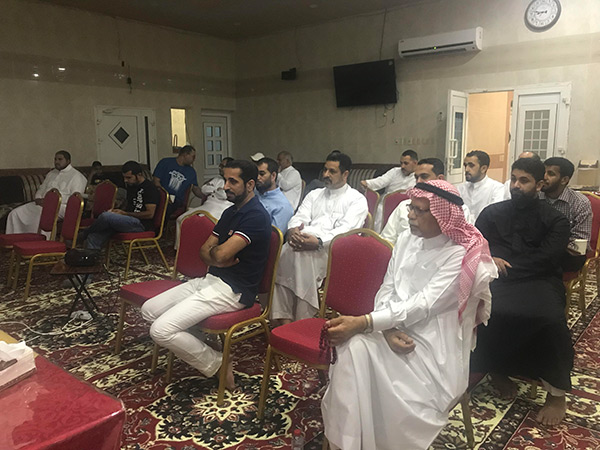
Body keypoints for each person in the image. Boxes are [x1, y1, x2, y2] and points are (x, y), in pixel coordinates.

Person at [321, 180, 497, 450]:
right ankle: (348, 443)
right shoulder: (406, 239)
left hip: (431, 347)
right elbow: (387, 288)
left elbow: (423, 304)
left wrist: (366, 323)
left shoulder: (459, 254)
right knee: (352, 349)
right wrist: (386, 329)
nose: (410, 215)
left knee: (355, 348)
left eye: (419, 210)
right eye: (410, 208)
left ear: (442, 215)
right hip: (391, 329)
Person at [141, 160, 271, 390]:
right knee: (148, 310)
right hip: (210, 280)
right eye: (225, 180)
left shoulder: (256, 216)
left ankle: (218, 362)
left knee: (160, 330)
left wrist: (216, 255)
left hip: (234, 290)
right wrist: (216, 257)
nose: (225, 186)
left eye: (233, 181)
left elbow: (219, 254)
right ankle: (202, 344)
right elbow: (206, 252)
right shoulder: (230, 211)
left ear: (250, 185)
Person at [471, 157, 574, 426]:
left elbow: (547, 259)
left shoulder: (556, 220)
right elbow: (476, 245)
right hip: (497, 277)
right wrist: (490, 260)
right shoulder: (492, 213)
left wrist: (509, 266)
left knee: (549, 319)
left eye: (524, 181)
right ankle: (496, 369)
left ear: (539, 185)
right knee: (484, 309)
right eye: (514, 179)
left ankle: (556, 393)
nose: (516, 185)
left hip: (539, 280)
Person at [270, 152, 368, 325]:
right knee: (285, 251)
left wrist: (319, 242)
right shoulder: (314, 194)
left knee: (302, 257)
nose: (326, 175)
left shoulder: (356, 199)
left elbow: (347, 231)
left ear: (345, 174)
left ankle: (301, 322)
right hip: (304, 241)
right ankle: (284, 318)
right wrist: (293, 230)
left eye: (332, 171)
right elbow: (299, 216)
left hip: (335, 250)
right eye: (325, 170)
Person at [380, 158, 473, 243]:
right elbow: (387, 239)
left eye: (424, 176)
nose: (418, 182)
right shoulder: (404, 206)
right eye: (416, 177)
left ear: (440, 179)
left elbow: (462, 243)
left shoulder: (457, 210)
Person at [81, 161, 159, 250]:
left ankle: (85, 233)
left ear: (139, 175)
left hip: (141, 224)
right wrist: (117, 211)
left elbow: (150, 214)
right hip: (127, 220)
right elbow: (127, 205)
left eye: (129, 177)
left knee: (106, 216)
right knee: (95, 236)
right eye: (124, 177)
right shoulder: (131, 185)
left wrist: (125, 214)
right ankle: (90, 256)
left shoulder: (150, 188)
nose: (125, 180)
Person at [6, 151, 87, 234]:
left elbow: (75, 199)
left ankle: (38, 240)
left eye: (60, 159)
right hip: (42, 204)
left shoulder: (77, 176)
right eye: (55, 159)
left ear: (68, 161)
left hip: (62, 206)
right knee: (15, 213)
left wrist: (50, 201)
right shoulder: (51, 173)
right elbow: (41, 188)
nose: (56, 162)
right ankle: (15, 239)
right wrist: (38, 198)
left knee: (39, 215)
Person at [173, 157, 234, 249]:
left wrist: (214, 190)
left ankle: (207, 248)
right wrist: (216, 190)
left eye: (222, 166)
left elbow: (224, 195)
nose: (219, 168)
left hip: (221, 208)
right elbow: (204, 189)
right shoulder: (216, 179)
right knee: (181, 219)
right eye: (220, 165)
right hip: (207, 205)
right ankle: (179, 248)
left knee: (207, 225)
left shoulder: (233, 181)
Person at [361, 149, 418, 231]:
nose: (402, 166)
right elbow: (381, 181)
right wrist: (367, 183)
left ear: (415, 163)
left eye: (406, 163)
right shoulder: (395, 171)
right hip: (386, 205)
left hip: (407, 208)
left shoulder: (419, 177)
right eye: (401, 163)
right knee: (379, 211)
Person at [153, 145, 202, 218]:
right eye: (193, 156)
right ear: (185, 154)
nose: (194, 159)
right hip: (161, 197)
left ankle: (163, 224)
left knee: (168, 208)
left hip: (177, 201)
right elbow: (156, 180)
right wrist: (164, 195)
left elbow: (195, 188)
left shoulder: (191, 172)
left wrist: (205, 195)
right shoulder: (165, 162)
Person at [457, 150, 504, 221]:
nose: (466, 169)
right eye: (465, 165)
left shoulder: (497, 189)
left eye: (471, 166)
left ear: (483, 169)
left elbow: (495, 216)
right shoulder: (460, 188)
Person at [256, 157, 294, 233]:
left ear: (273, 176)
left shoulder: (283, 206)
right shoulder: (253, 193)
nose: (257, 177)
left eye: (262, 174)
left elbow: (273, 238)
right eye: (256, 174)